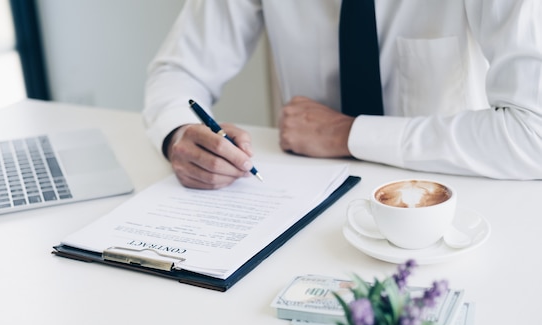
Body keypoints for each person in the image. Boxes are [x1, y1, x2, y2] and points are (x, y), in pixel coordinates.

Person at [143, 0, 542, 189]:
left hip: (453, 200)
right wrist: (179, 135)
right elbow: (179, 70)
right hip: (305, 203)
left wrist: (347, 134)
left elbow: (535, 134)